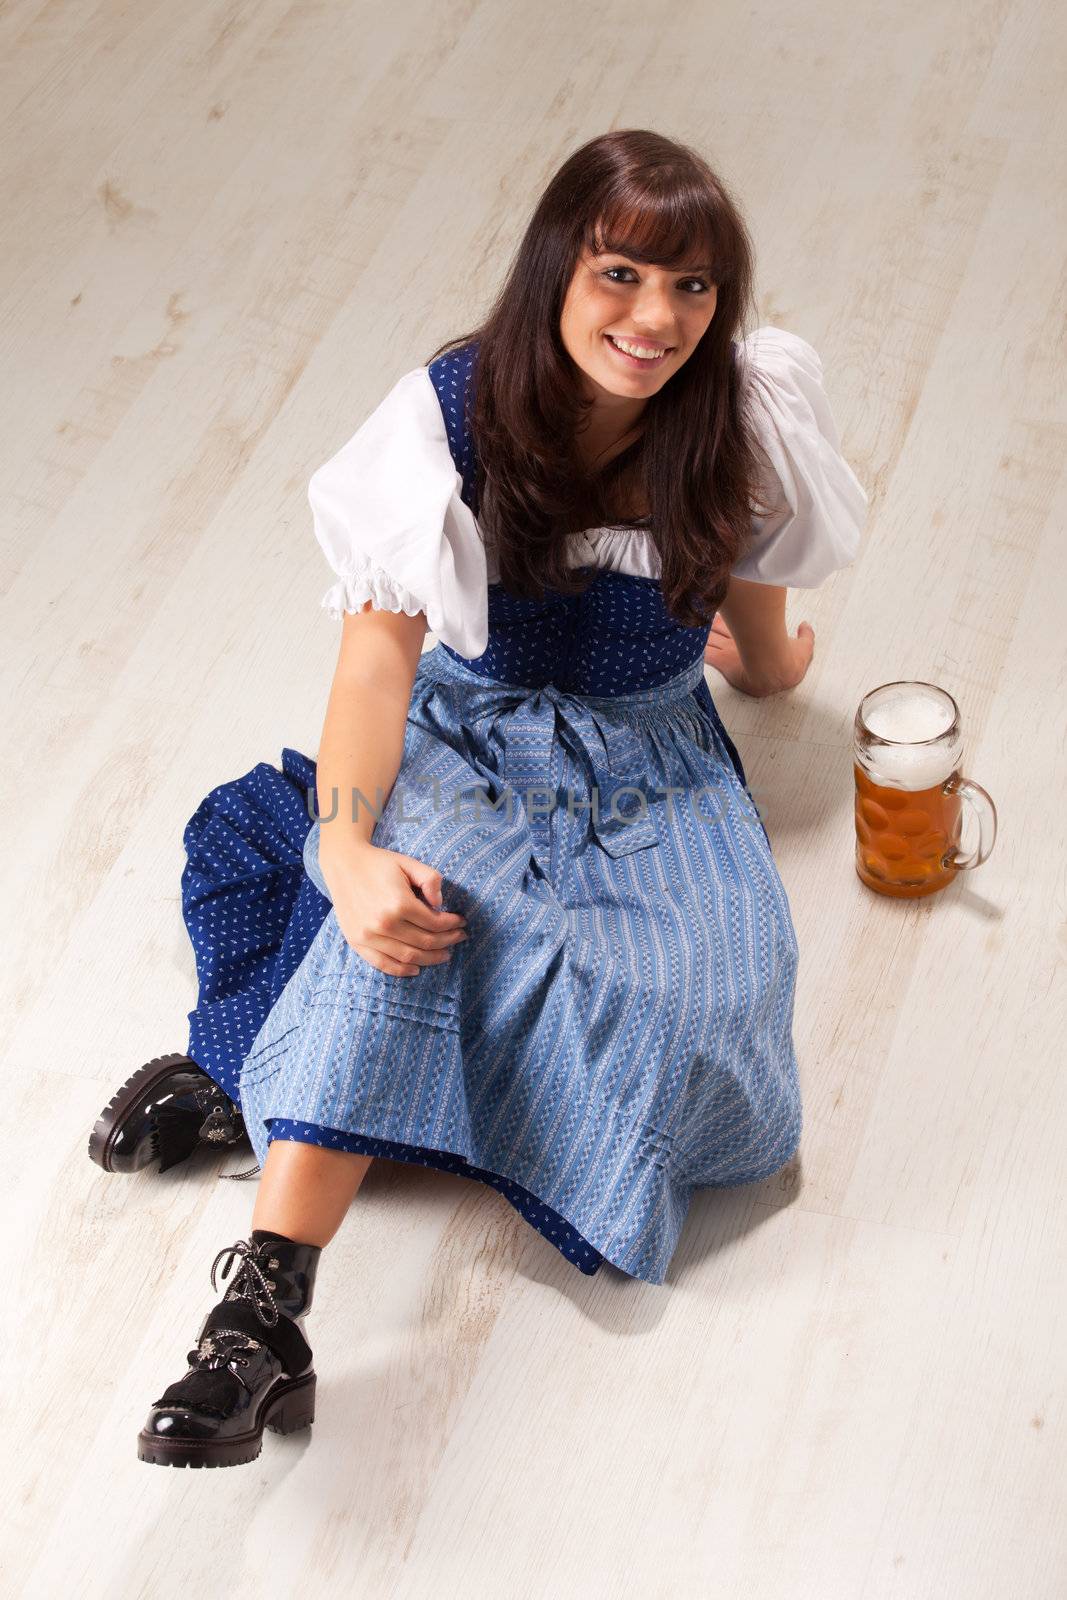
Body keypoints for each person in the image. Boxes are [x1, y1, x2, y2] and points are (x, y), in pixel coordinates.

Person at [101, 128, 867, 1469]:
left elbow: (758, 621)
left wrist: (776, 664)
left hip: (651, 761)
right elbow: (373, 671)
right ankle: (257, 1315)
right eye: (622, 273)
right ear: (557, 266)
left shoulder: (734, 422)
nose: (656, 319)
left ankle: (272, 1086)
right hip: (475, 733)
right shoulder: (448, 417)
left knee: (703, 1007)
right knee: (404, 925)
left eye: (692, 290)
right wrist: (343, 847)